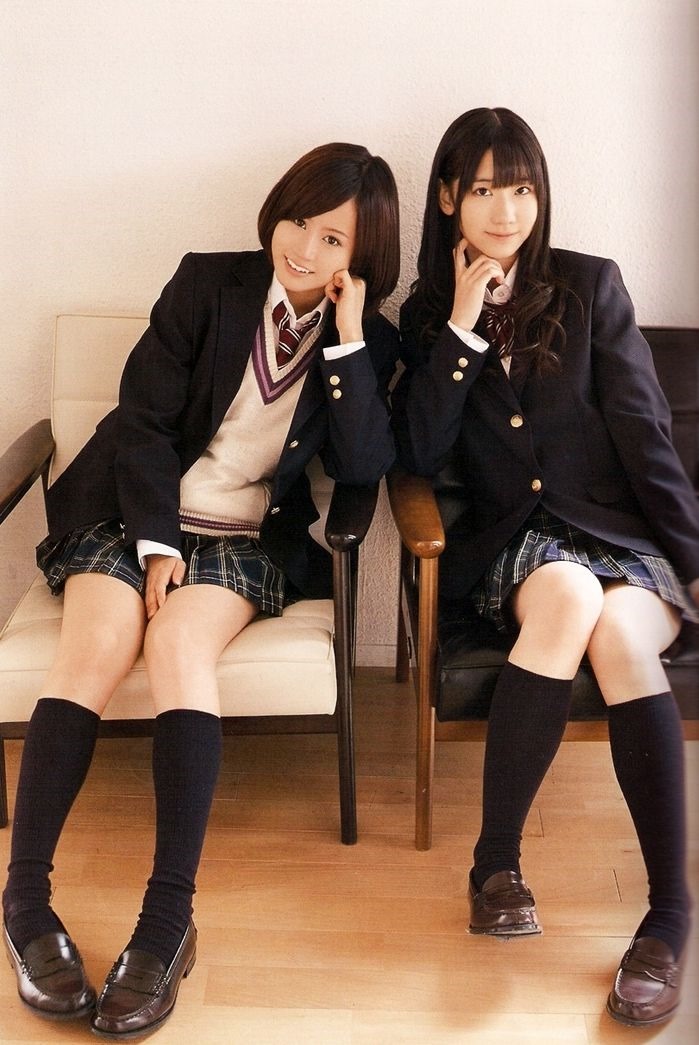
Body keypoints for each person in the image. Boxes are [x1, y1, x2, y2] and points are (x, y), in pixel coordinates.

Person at [2, 142, 400, 1039]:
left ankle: (166, 921)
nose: (303, 247)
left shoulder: (368, 342)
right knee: (97, 646)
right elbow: (142, 417)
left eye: (333, 239)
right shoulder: (206, 283)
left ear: (361, 258)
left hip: (245, 537)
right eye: (298, 220)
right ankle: (24, 900)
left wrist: (345, 340)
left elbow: (363, 464)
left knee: (181, 646)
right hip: (129, 509)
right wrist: (153, 542)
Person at [391, 107, 698, 1028]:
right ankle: (496, 863)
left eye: (520, 188)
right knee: (564, 597)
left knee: (618, 633)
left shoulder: (588, 284)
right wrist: (459, 329)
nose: (505, 210)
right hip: (522, 546)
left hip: (622, 535)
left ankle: (668, 913)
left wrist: (691, 560)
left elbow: (644, 435)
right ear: (448, 196)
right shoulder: (421, 314)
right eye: (484, 189)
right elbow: (417, 453)